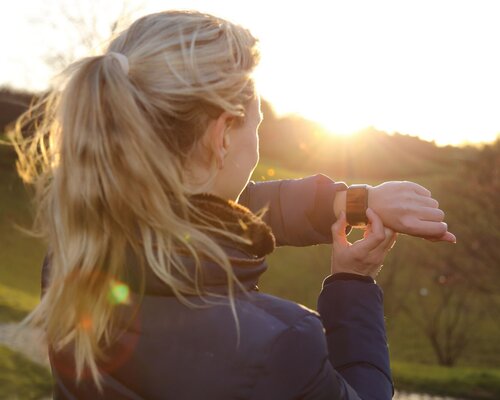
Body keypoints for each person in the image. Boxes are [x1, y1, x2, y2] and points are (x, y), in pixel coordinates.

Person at [13, 10, 454, 399]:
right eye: (255, 126)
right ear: (223, 135)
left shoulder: (74, 257)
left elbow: (220, 211)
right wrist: (352, 284)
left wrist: (351, 202)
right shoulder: (275, 346)